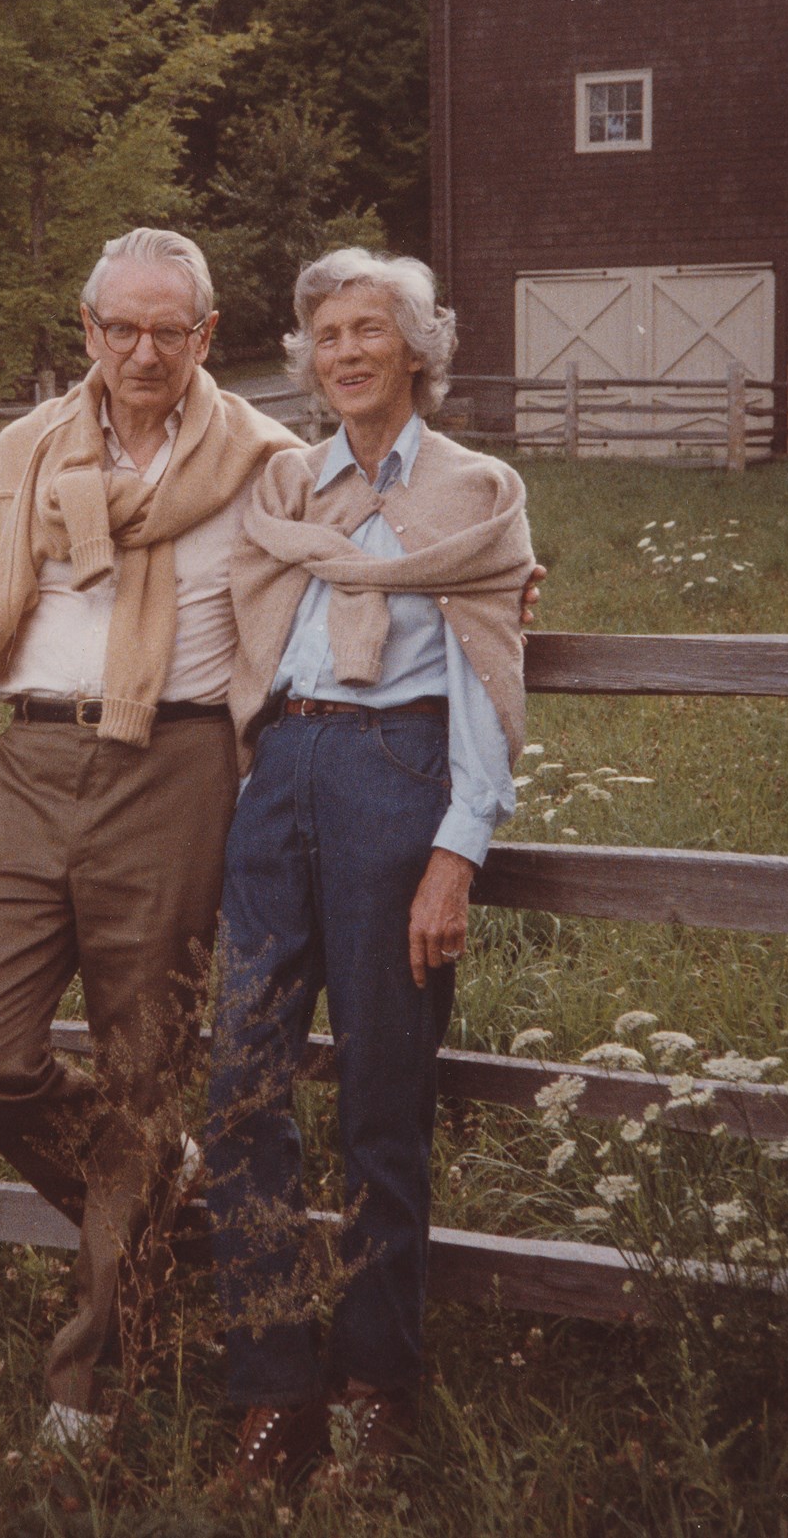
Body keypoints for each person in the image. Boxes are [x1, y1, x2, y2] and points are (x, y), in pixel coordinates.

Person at [0, 227, 303, 1448]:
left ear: (206, 337)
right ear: (86, 331)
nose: (143, 350)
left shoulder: (263, 460)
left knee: (144, 1068)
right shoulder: (29, 448)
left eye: (167, 330)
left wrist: (488, 569)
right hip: (26, 765)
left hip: (177, 769)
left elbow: (358, 560)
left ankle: (90, 1381)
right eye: (119, 327)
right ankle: (159, 1184)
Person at [206, 247, 537, 1489]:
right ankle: (272, 1390)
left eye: (367, 330)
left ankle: (374, 1386)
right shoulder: (289, 482)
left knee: (381, 1105)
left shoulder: (474, 487)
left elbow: (486, 676)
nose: (342, 352)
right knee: (238, 1092)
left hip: (395, 782)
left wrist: (455, 849)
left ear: (415, 348)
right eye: (324, 335)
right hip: (276, 777)